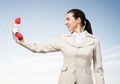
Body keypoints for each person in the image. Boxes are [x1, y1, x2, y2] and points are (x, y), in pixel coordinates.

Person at [12, 9, 105, 84]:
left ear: (78, 20)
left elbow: (98, 70)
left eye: (68, 19)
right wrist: (20, 40)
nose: (65, 22)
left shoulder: (94, 41)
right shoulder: (63, 39)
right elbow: (39, 47)